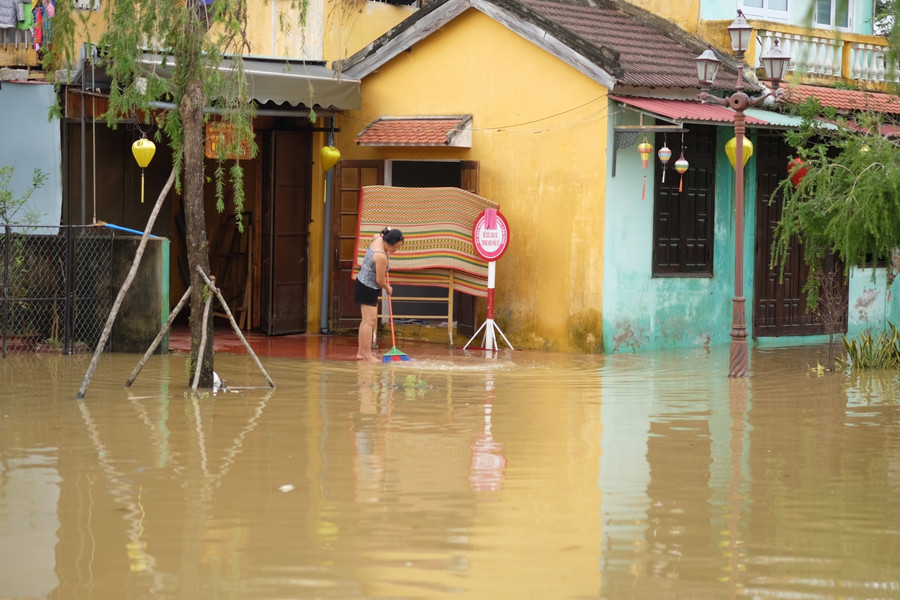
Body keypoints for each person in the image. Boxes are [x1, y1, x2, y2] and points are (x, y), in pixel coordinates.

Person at [355, 227, 404, 361]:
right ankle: (366, 355)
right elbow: (380, 280)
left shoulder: (379, 239)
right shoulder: (381, 256)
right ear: (390, 243)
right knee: (369, 321)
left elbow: (375, 234)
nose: (396, 250)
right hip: (368, 287)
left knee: (366, 321)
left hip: (363, 283)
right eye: (396, 247)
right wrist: (388, 288)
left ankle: (361, 352)